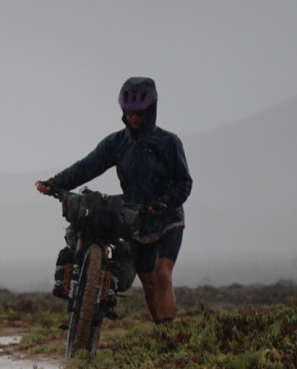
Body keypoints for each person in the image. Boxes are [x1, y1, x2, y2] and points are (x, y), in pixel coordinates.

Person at [36, 77, 192, 324]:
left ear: (151, 110)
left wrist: (165, 202)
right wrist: (55, 182)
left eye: (140, 113)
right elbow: (87, 167)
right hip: (135, 219)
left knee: (163, 274)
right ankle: (162, 332)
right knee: (149, 282)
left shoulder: (169, 142)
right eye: (129, 113)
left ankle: (169, 334)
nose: (134, 118)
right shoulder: (117, 143)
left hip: (168, 218)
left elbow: (185, 183)